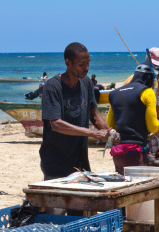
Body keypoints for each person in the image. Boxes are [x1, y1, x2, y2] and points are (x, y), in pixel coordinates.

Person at [39, 42, 113, 181]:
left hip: (80, 161)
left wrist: (110, 132)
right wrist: (93, 133)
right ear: (68, 63)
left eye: (88, 63)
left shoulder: (87, 83)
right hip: (56, 163)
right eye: (81, 64)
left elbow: (94, 114)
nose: (86, 68)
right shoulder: (53, 86)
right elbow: (56, 124)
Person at [106, 62, 159, 174]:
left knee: (123, 186)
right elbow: (153, 127)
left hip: (118, 152)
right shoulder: (147, 92)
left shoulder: (114, 93)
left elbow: (109, 124)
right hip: (136, 152)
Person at [124, 47, 159, 156]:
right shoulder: (131, 81)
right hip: (137, 133)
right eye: (154, 67)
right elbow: (123, 107)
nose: (157, 70)